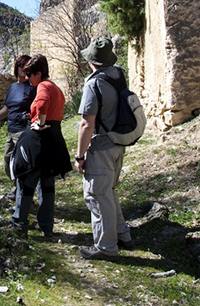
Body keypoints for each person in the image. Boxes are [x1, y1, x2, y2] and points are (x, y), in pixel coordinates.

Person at [75, 36, 134, 261]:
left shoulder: (93, 83)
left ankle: (106, 247)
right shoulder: (119, 75)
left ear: (92, 61)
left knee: (98, 196)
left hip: (100, 147)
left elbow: (87, 124)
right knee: (108, 191)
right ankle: (122, 234)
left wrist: (80, 156)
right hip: (118, 142)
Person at [10, 54, 71, 236]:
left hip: (39, 140)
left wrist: (39, 121)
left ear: (39, 73)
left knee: (26, 181)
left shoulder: (43, 86)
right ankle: (46, 226)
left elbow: (43, 104)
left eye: (30, 75)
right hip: (54, 139)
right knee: (47, 184)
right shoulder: (56, 88)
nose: (27, 79)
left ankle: (19, 224)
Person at [0, 55, 36, 180]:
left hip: (24, 131)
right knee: (7, 162)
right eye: (21, 65)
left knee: (21, 163)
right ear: (16, 67)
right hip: (11, 131)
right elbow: (7, 108)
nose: (24, 69)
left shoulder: (33, 87)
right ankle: (18, 189)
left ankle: (22, 194)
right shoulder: (12, 87)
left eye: (27, 66)